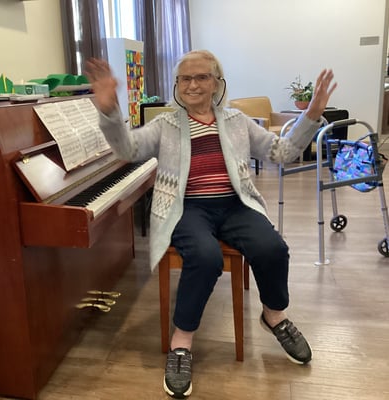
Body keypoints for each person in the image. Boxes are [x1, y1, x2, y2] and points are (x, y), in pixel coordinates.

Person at [85, 50, 337, 399]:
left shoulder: (237, 121)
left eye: (201, 77)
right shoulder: (166, 125)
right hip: (186, 208)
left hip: (236, 205)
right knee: (205, 258)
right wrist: (110, 113)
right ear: (177, 85)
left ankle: (274, 316)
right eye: (185, 78)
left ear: (217, 83)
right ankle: (181, 342)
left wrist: (310, 116)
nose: (192, 84)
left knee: (273, 248)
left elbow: (282, 153)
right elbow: (128, 150)